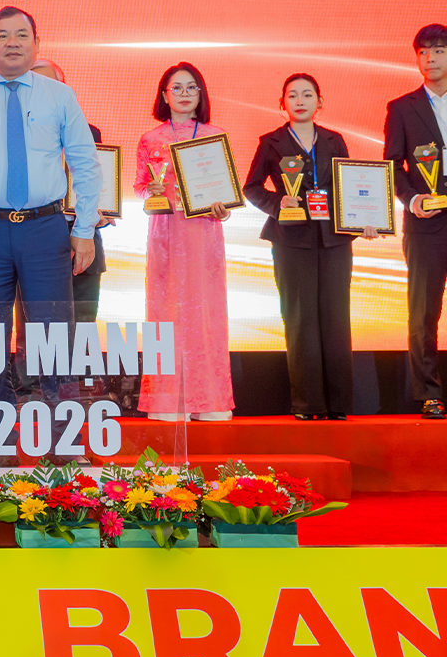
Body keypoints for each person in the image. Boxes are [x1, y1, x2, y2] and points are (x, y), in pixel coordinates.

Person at [0, 7, 102, 453]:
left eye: (21, 35)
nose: (12, 42)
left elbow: (85, 163)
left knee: (54, 335)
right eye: (2, 35)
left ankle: (65, 442)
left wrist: (84, 228)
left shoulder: (59, 95)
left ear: (36, 43)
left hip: (45, 228)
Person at [245, 73, 375, 421]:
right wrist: (278, 204)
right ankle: (307, 404)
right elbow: (252, 187)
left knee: (336, 317)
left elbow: (351, 185)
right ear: (282, 103)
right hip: (291, 239)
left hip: (334, 239)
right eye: (292, 95)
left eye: (307, 94)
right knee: (300, 318)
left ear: (320, 102)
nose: (300, 101)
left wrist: (364, 219)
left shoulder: (334, 140)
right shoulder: (271, 142)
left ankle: (338, 404)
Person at [134, 63, 233, 420]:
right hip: (165, 233)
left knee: (206, 311)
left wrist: (223, 209)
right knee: (165, 311)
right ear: (164, 96)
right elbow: (140, 186)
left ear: (201, 94)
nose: (184, 94)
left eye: (192, 87)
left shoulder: (214, 135)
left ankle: (209, 400)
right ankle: (168, 401)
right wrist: (151, 191)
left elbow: (225, 191)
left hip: (204, 233)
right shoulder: (151, 139)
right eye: (176, 88)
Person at [384, 23, 447, 419]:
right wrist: (412, 199)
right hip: (426, 223)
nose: (430, 58)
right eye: (423, 52)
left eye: (438, 50)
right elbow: (392, 165)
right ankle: (429, 393)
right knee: (423, 311)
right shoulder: (402, 108)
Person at [33, 58, 108, 322]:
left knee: (83, 326)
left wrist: (103, 211)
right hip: (33, 239)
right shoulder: (13, 137)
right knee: (34, 329)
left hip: (83, 239)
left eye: (50, 83)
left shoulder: (89, 133)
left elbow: (98, 182)